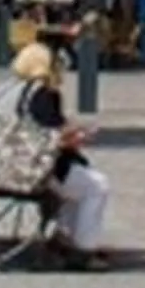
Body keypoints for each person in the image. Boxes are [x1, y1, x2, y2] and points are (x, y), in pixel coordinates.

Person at [13, 42, 113, 269]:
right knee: (97, 186)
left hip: (20, 164)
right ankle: (84, 249)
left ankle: (64, 236)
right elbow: (53, 139)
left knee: (80, 185)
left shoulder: (22, 90)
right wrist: (79, 137)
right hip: (39, 169)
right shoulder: (45, 95)